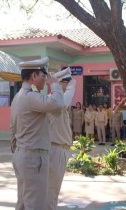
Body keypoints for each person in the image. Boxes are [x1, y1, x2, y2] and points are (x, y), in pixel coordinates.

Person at [10, 57, 64, 210]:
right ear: (34, 76)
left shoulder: (19, 96)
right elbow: (58, 104)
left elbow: (11, 128)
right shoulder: (30, 97)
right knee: (35, 203)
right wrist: (55, 85)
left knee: (23, 203)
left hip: (23, 154)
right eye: (43, 76)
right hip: (33, 157)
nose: (45, 79)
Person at [47, 71, 76, 210]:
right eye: (67, 83)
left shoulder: (57, 101)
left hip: (61, 148)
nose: (68, 85)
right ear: (61, 83)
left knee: (53, 191)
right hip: (55, 149)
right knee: (51, 192)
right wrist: (72, 87)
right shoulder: (54, 100)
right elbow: (63, 104)